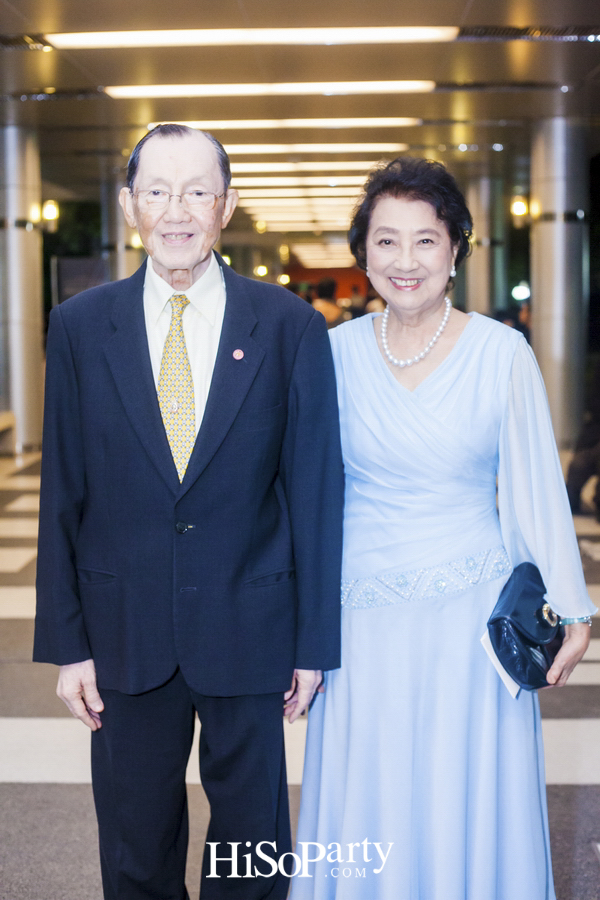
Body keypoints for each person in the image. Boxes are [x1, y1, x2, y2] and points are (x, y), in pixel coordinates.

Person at [33, 124, 344, 900]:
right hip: (123, 630)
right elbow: (63, 491)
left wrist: (313, 645)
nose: (178, 211)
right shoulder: (79, 327)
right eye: (158, 191)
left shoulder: (289, 327)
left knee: (251, 850)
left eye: (198, 192)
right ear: (130, 204)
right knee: (135, 849)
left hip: (252, 626)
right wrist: (68, 646)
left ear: (226, 206)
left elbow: (314, 493)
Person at [292, 157, 594, 900]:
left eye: (425, 240)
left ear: (456, 248)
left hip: (470, 622)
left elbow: (534, 487)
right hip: (361, 620)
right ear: (364, 254)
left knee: (464, 788)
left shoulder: (501, 352)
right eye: (386, 241)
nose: (406, 260)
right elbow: (305, 493)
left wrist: (573, 606)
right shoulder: (331, 354)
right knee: (374, 784)